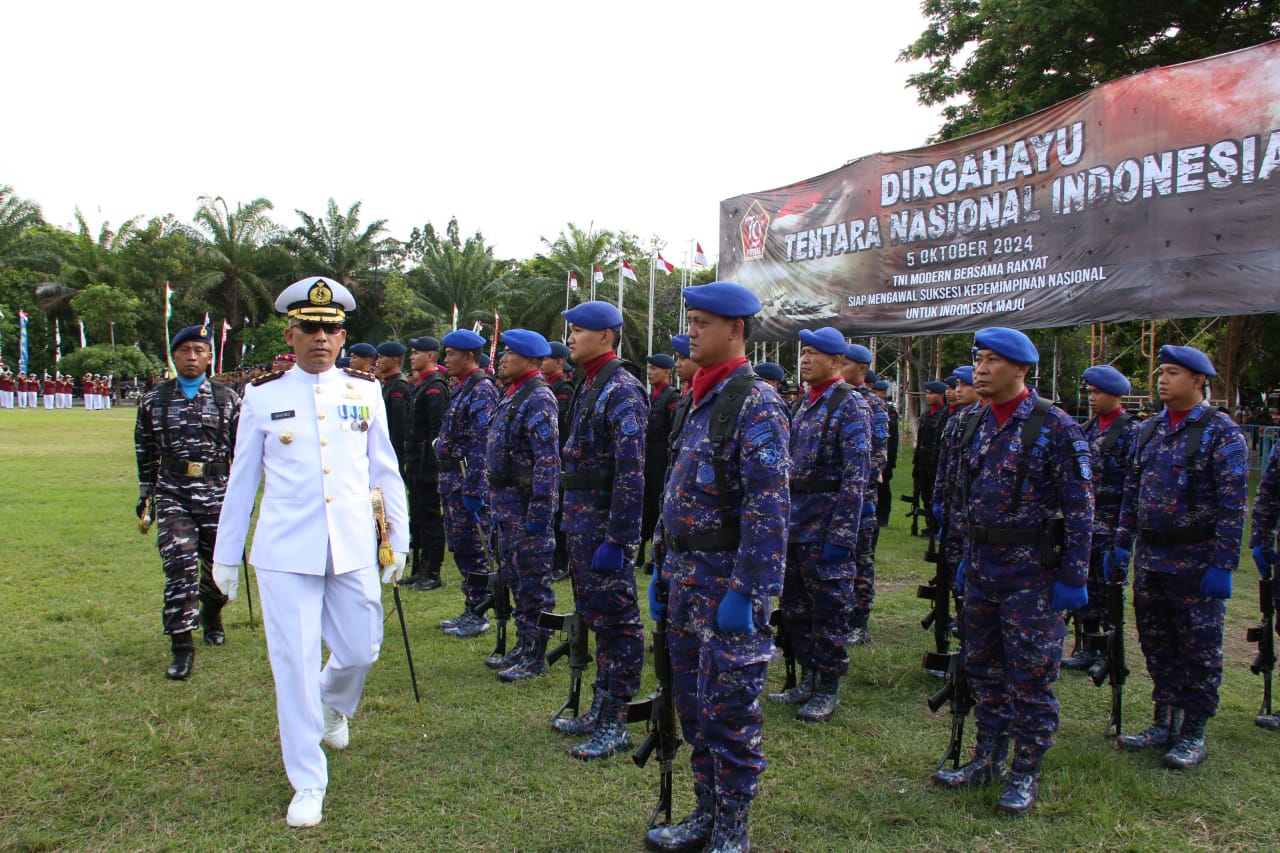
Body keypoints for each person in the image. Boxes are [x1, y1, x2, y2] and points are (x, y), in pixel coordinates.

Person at [211, 276, 408, 828]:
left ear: (343, 337)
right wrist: (226, 555)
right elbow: (241, 481)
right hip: (284, 551)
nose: (321, 338)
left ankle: (332, 706)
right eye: (309, 329)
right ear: (291, 334)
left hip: (351, 546)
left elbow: (384, 470)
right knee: (293, 666)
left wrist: (400, 538)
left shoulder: (364, 392)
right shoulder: (262, 397)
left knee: (363, 648)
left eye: (331, 329)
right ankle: (307, 779)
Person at [647, 281, 789, 853]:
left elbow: (769, 508)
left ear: (737, 331)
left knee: (730, 712)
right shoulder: (698, 398)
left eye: (703, 322)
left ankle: (733, 828)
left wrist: (748, 590)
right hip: (685, 579)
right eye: (691, 321)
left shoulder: (756, 402)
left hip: (726, 583)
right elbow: (674, 491)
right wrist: (660, 561)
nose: (691, 332)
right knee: (693, 707)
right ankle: (706, 813)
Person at [931, 328, 1093, 816]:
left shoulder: (1055, 425)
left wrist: (1074, 576)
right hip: (982, 571)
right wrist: (957, 561)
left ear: (1021, 369)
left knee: (1031, 675)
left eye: (992, 361)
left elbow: (1080, 507)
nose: (980, 369)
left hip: (1032, 578)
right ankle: (987, 754)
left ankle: (1025, 769)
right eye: (978, 360)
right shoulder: (969, 423)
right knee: (983, 668)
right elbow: (959, 498)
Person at [1111, 345, 1248, 768]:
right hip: (1152, 560)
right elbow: (1131, 494)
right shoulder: (1148, 430)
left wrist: (1223, 564)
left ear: (1199, 380)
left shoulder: (1221, 432)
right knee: (1156, 643)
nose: (1162, 381)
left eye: (1172, 373)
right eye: (1161, 373)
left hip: (1196, 561)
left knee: (1198, 650)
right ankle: (1163, 720)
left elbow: (1233, 504)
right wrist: (1121, 542)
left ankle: (1194, 731)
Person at [554, 300, 647, 760]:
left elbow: (632, 473)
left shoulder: (623, 390)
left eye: (579, 330)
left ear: (606, 336)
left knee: (617, 623)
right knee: (597, 617)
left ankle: (618, 717)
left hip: (603, 527)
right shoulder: (591, 385)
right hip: (582, 522)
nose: (570, 338)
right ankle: (602, 704)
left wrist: (619, 538)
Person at [770, 326, 870, 722]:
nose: (805, 359)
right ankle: (808, 678)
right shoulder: (801, 404)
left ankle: (828, 686)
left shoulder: (850, 405)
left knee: (828, 610)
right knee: (795, 610)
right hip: (795, 524)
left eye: (814, 353)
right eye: (803, 352)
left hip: (825, 528)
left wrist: (842, 535)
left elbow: (856, 476)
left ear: (836, 361)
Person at [134, 324, 241, 680]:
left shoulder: (229, 399)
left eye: (199, 351)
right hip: (173, 492)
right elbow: (145, 451)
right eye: (185, 351)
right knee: (179, 567)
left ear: (210, 357)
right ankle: (182, 645)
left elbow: (242, 454)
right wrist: (145, 493)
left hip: (217, 493)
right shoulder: (154, 400)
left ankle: (212, 611)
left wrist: (243, 501)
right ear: (174, 355)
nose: (192, 357)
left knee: (219, 570)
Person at [485, 329, 561, 680]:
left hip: (526, 506)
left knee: (533, 584)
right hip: (507, 505)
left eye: (509, 354)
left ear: (530, 360)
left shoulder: (538, 397)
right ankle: (522, 644)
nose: (502, 359)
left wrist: (540, 513)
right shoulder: (513, 393)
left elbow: (547, 462)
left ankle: (535, 654)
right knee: (515, 578)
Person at [1062, 365, 1140, 671]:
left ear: (1115, 395)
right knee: (1086, 586)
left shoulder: (1131, 431)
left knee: (1109, 589)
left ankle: (1109, 651)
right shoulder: (1088, 429)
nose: (1092, 398)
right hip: (1086, 521)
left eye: (1098, 393)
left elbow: (1134, 483)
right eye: (1090, 392)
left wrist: (1125, 532)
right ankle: (1087, 646)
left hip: (1113, 521)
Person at [435, 328, 501, 638]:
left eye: (450, 354)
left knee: (475, 548)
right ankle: (471, 605)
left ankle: (480, 611)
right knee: (461, 547)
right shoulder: (464, 387)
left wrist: (475, 489)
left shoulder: (481, 388)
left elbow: (482, 442)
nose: (445, 360)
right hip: (452, 480)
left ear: (469, 356)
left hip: (466, 481)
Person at [841, 344, 888, 644]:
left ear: (861, 368)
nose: (839, 368)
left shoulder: (872, 403)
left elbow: (877, 455)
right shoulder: (833, 398)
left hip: (861, 500)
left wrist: (863, 497)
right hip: (836, 500)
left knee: (861, 561)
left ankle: (860, 621)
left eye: (845, 363)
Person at [402, 336, 449, 590]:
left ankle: (432, 571)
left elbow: (437, 431)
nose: (412, 357)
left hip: (426, 464)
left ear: (431, 356)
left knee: (430, 516)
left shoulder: (435, 388)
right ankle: (418, 568)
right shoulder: (422, 385)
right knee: (417, 515)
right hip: (415, 460)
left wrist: (432, 467)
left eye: (417, 353)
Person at [638, 353, 679, 570]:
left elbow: (672, 433)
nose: (650, 372)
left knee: (657, 508)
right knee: (646, 508)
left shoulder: (671, 397)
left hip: (661, 464)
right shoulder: (650, 396)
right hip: (647, 464)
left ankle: (656, 554)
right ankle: (642, 551)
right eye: (649, 368)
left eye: (655, 368)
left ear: (666, 372)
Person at [542, 340, 575, 581]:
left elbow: (562, 428)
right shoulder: (547, 387)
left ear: (559, 362)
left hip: (560, 458)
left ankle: (561, 563)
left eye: (546, 358)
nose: (542, 362)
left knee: (560, 512)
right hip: (550, 458)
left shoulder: (564, 390)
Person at [913, 380, 951, 535]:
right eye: (927, 393)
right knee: (925, 493)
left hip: (935, 461)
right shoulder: (927, 415)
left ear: (941, 395)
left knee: (935, 493)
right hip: (923, 460)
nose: (928, 396)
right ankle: (929, 524)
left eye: (932, 393)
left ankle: (936, 525)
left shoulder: (945, 414)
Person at [375, 341, 411, 473]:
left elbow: (398, 425)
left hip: (392, 449)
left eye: (381, 357)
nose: (377, 361)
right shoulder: (389, 383)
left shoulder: (398, 386)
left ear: (394, 359)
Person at [874, 379, 898, 528]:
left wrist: (890, 460)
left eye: (877, 391)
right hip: (876, 456)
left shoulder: (890, 411)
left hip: (886, 455)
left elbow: (892, 438)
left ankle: (883, 516)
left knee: (884, 489)